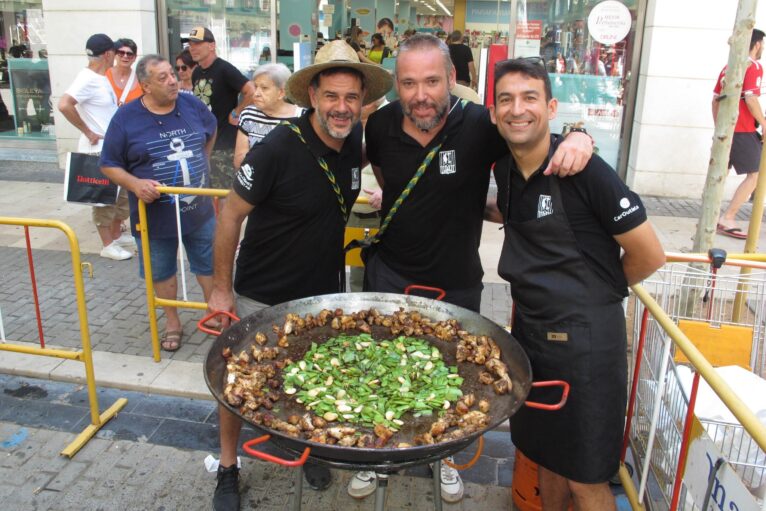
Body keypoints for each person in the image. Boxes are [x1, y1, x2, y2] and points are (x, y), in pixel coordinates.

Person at [355, 34, 594, 503]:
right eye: (408, 83)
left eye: (431, 81)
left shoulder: (482, 125)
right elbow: (390, 182)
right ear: (397, 86)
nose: (420, 95)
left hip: (456, 280)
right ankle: (374, 454)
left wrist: (581, 136)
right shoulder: (380, 126)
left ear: (452, 79)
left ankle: (442, 457)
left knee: (451, 377)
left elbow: (534, 131)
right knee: (377, 373)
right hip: (390, 276)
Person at [206, 40, 392, 511]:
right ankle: (229, 467)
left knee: (311, 379)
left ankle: (304, 444)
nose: (341, 106)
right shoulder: (276, 149)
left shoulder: (353, 146)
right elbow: (229, 218)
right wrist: (222, 291)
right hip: (260, 293)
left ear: (361, 102)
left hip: (320, 298)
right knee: (238, 384)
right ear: (313, 95)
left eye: (351, 97)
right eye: (332, 95)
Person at [485, 57, 665, 511]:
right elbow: (511, 213)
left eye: (530, 98)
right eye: (505, 99)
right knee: (545, 457)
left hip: (587, 350)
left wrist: (595, 298)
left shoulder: (585, 170)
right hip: (530, 338)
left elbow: (650, 255)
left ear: (551, 106)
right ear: (493, 111)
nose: (517, 109)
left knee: (587, 477)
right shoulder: (505, 169)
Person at [100, 55, 218, 352]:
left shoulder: (191, 104)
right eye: (163, 78)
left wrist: (202, 160)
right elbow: (108, 164)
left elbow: (211, 128)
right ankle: (172, 321)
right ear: (146, 86)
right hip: (153, 215)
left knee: (208, 261)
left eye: (173, 75)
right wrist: (135, 184)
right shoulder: (125, 118)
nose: (173, 81)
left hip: (199, 210)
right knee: (161, 268)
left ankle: (214, 312)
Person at [57, 33, 133, 261]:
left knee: (120, 195)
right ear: (108, 54)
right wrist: (88, 131)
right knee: (103, 196)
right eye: (116, 52)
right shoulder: (87, 78)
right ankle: (107, 244)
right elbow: (64, 104)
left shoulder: (100, 77)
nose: (119, 56)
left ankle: (116, 236)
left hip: (111, 147)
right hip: (98, 149)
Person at [188, 26, 256, 190]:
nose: (192, 48)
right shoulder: (196, 72)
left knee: (225, 192)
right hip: (202, 142)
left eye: (197, 43)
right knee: (205, 191)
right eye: (190, 44)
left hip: (224, 144)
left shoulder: (224, 69)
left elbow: (251, 91)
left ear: (212, 45)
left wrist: (237, 111)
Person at [713, 28, 765, 239]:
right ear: (757, 44)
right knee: (756, 174)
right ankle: (728, 217)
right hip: (742, 129)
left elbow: (715, 99)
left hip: (727, 129)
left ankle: (714, 216)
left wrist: (719, 127)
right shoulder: (753, 66)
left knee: (720, 173)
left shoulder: (729, 67)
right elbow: (751, 98)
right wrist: (763, 122)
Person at [232, 63, 304, 168]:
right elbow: (239, 160)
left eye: (264, 88)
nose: (256, 93)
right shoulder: (248, 115)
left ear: (281, 93)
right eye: (256, 87)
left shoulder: (302, 118)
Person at [106, 38, 141, 106]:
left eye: (129, 54)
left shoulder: (141, 79)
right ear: (115, 55)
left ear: (135, 58)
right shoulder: (104, 75)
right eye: (121, 53)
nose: (125, 56)